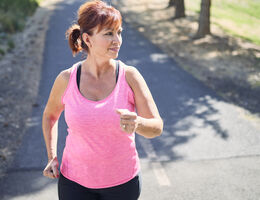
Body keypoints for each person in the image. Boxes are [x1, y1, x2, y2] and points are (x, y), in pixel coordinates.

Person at [42, 0, 163, 199]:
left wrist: (138, 123)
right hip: (74, 183)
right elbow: (50, 116)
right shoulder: (66, 79)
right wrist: (51, 156)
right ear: (87, 39)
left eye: (119, 32)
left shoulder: (130, 76)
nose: (117, 40)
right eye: (108, 33)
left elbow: (157, 127)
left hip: (123, 183)